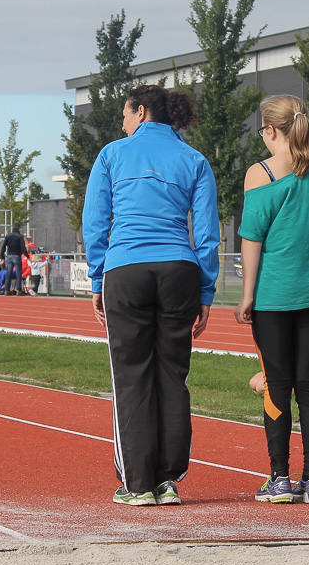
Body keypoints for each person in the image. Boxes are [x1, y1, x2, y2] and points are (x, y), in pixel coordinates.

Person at [83, 84, 220, 507]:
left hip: (126, 267)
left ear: (140, 112)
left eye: (125, 115)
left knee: (132, 374)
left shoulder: (112, 154)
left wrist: (96, 278)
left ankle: (138, 483)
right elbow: (208, 234)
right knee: (172, 375)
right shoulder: (194, 159)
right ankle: (167, 480)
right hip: (180, 268)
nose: (122, 124)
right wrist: (206, 290)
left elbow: (96, 220)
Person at [234, 94, 309, 505]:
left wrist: (247, 294)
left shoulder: (259, 174)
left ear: (270, 130)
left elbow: (251, 239)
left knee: (276, 387)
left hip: (272, 298)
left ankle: (280, 479)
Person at [0, 223, 29, 295]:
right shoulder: (20, 236)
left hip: (9, 256)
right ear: (18, 229)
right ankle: (18, 290)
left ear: (12, 228)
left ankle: (7, 290)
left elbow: (3, 247)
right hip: (17, 255)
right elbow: (23, 248)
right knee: (18, 273)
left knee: (8, 273)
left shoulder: (8, 236)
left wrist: (2, 256)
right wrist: (27, 256)